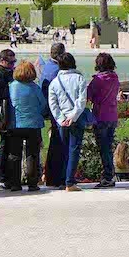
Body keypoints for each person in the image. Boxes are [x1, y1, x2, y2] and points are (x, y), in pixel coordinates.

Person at [48, 52, 89, 192]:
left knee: (64, 150)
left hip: (62, 119)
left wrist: (61, 119)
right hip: (75, 118)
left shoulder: (54, 82)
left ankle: (62, 179)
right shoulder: (79, 78)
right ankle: (69, 181)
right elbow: (81, 100)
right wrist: (74, 116)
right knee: (74, 150)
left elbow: (53, 104)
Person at [6, 60, 46, 192]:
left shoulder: (11, 86)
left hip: (15, 124)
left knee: (14, 154)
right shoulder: (35, 88)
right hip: (33, 124)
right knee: (32, 154)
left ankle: (15, 183)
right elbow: (43, 105)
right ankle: (32, 183)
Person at [88, 53, 121, 189]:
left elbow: (88, 95)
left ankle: (108, 176)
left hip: (101, 115)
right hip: (112, 115)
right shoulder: (115, 78)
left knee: (104, 148)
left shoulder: (98, 80)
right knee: (108, 146)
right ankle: (109, 174)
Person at [37, 42, 66, 189]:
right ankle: (57, 178)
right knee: (59, 145)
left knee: (55, 144)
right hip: (56, 111)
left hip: (49, 109)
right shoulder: (56, 70)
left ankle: (51, 177)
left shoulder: (48, 66)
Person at [0, 48, 16, 190]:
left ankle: (4, 176)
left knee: (6, 144)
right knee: (5, 145)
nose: (13, 64)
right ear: (2, 61)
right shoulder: (1, 75)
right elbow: (3, 95)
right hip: (4, 113)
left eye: (14, 62)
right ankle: (1, 177)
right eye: (11, 62)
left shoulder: (3, 72)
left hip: (5, 112)